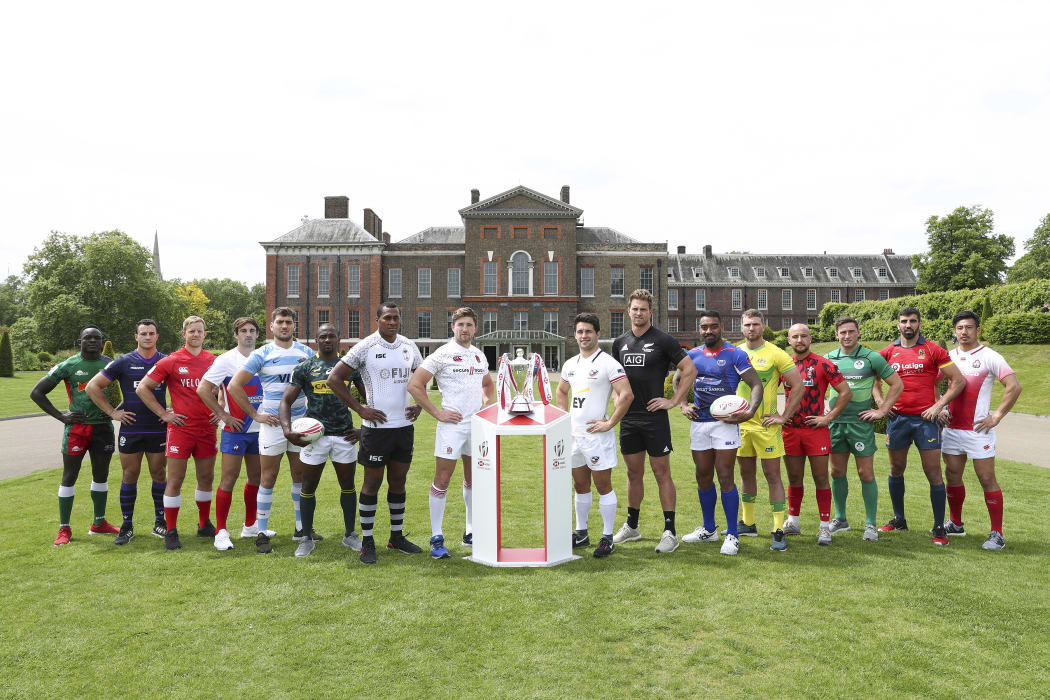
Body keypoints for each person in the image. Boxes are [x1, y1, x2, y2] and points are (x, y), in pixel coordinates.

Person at [328, 302, 424, 564]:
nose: (392, 322)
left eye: (396, 318)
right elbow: (334, 379)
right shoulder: (366, 346)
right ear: (378, 319)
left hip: (403, 428)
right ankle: (367, 541)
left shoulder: (408, 346)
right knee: (372, 484)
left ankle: (396, 537)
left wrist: (419, 404)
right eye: (387, 318)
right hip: (376, 430)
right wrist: (361, 409)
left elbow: (421, 379)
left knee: (398, 482)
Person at [610, 289, 697, 554]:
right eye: (634, 309)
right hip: (629, 419)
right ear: (628, 311)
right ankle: (632, 526)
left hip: (654, 418)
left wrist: (673, 401)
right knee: (633, 473)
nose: (638, 313)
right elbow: (616, 377)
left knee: (662, 474)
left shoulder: (663, 340)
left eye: (643, 309)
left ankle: (670, 531)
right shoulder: (619, 343)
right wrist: (617, 398)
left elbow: (689, 369)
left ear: (651, 312)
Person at [227, 307, 316, 554]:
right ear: (272, 326)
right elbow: (235, 386)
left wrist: (310, 413)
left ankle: (301, 528)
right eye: (280, 322)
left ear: (294, 326)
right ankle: (262, 532)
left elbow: (315, 386)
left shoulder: (307, 353)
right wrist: (255, 414)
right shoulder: (262, 353)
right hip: (272, 425)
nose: (284, 326)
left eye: (288, 322)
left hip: (299, 424)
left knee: (300, 477)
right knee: (268, 478)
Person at [407, 307, 494, 560]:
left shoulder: (479, 356)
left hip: (476, 427)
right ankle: (436, 537)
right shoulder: (442, 354)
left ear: (475, 329)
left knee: (472, 480)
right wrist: (437, 413)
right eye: (460, 325)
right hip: (451, 426)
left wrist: (487, 406)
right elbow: (415, 385)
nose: (464, 329)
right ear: (452, 328)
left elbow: (487, 384)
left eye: (468, 325)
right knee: (442, 480)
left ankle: (470, 531)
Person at [874, 306, 965, 545]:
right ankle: (899, 519)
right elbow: (873, 379)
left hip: (926, 421)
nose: (908, 325)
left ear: (919, 325)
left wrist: (939, 406)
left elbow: (958, 381)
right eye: (904, 321)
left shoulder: (933, 349)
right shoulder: (888, 352)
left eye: (913, 321)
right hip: (897, 420)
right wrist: (882, 403)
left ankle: (938, 527)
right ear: (897, 325)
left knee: (933, 472)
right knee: (896, 470)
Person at [676, 311, 762, 556]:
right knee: (702, 475)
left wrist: (750, 411)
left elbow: (756, 384)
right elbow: (678, 378)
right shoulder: (692, 355)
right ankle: (709, 529)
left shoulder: (735, 354)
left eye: (713, 326)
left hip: (725, 423)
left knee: (725, 475)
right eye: (704, 327)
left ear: (721, 327)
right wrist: (683, 404)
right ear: (699, 329)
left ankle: (733, 535)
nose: (708, 331)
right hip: (699, 423)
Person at [279, 323, 365, 557]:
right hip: (314, 437)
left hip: (344, 435)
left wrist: (364, 430)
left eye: (332, 336)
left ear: (339, 339)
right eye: (323, 337)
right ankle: (306, 537)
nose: (327, 340)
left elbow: (370, 400)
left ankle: (350, 535)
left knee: (348, 486)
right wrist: (287, 430)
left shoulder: (350, 367)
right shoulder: (305, 367)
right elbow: (285, 401)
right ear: (316, 341)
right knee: (308, 486)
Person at [940, 310, 1022, 551]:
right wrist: (940, 406)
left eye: (969, 327)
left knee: (986, 478)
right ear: (954, 331)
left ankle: (997, 533)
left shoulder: (990, 356)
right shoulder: (948, 357)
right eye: (960, 328)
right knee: (952, 475)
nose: (964, 332)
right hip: (952, 429)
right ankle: (956, 524)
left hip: (978, 431)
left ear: (978, 330)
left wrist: (996, 416)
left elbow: (1014, 386)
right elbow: (933, 382)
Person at [135, 316, 218, 550]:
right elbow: (143, 388)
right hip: (181, 429)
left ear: (205, 334)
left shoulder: (214, 361)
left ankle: (204, 525)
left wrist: (221, 411)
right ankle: (171, 530)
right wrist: (164, 413)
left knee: (206, 478)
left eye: (199, 331)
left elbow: (226, 388)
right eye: (191, 331)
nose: (195, 335)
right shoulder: (171, 361)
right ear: (184, 334)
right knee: (175, 479)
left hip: (206, 429)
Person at [555, 313, 634, 558]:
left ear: (597, 334)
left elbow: (627, 395)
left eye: (588, 331)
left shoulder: (609, 363)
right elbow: (561, 391)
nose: (584, 336)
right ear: (575, 335)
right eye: (579, 332)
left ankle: (607, 537)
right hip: (575, 436)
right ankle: (581, 533)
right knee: (580, 486)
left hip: (597, 436)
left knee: (603, 486)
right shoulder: (570, 364)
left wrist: (610, 422)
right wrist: (562, 419)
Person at [31, 326, 118, 545]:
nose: (91, 341)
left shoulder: (111, 364)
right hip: (77, 431)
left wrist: (113, 411)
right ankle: (64, 529)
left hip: (103, 428)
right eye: (87, 337)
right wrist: (61, 416)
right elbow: (37, 392)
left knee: (101, 476)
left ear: (101, 341)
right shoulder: (69, 365)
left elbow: (136, 389)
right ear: (79, 341)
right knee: (69, 476)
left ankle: (99, 523)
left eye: (96, 338)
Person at [86, 319, 168, 545]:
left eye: (152, 333)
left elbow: (183, 390)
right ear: (136, 336)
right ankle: (127, 525)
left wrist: (171, 410)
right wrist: (113, 412)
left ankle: (160, 521)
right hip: (131, 429)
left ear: (157, 336)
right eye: (143, 333)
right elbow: (93, 387)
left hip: (157, 428)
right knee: (129, 475)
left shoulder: (165, 361)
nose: (148, 337)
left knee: (159, 474)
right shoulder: (123, 362)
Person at [824, 315, 903, 541]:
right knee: (836, 472)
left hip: (860, 424)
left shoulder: (872, 358)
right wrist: (824, 411)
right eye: (842, 332)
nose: (847, 336)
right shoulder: (828, 359)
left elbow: (897, 384)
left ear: (858, 333)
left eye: (851, 331)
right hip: (836, 423)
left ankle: (870, 523)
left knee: (865, 473)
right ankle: (840, 519)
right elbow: (819, 386)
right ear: (836, 335)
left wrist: (881, 410)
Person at [733, 310, 803, 552]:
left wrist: (783, 416)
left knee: (772, 476)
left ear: (763, 326)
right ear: (741, 327)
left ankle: (777, 529)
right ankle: (748, 523)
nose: (751, 328)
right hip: (741, 426)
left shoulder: (775, 353)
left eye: (755, 324)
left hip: (766, 426)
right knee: (745, 475)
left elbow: (798, 386)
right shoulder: (735, 352)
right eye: (747, 325)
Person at [195, 317, 266, 551]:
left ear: (257, 334)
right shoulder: (225, 360)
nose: (248, 334)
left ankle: (250, 525)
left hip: (261, 429)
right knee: (229, 479)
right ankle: (221, 531)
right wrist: (224, 416)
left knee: (256, 478)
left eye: (252, 331)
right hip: (236, 429)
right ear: (235, 334)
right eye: (243, 331)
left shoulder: (265, 355)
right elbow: (203, 389)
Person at [780, 323, 852, 545]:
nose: (799, 340)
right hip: (790, 430)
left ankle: (824, 527)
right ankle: (793, 521)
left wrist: (828, 418)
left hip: (815, 430)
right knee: (794, 477)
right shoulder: (783, 365)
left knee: (821, 478)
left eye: (803, 336)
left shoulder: (823, 364)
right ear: (789, 341)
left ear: (810, 339)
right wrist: (779, 414)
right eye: (795, 337)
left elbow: (845, 392)